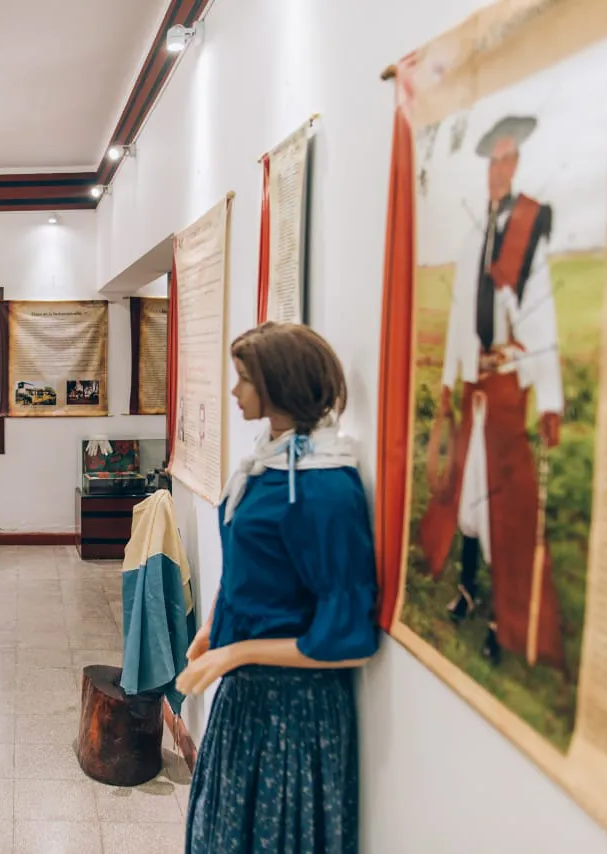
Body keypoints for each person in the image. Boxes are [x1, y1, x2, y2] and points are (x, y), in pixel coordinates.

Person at [177, 322, 378, 854]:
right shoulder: (269, 466)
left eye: (243, 379)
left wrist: (234, 652)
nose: (234, 391)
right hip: (246, 699)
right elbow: (252, 567)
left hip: (293, 713)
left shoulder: (324, 487)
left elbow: (345, 637)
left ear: (278, 386)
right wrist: (211, 630)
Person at [418, 114, 565, 669]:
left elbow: (541, 312)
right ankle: (469, 589)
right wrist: (452, 383)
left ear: (517, 164)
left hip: (507, 386)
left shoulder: (529, 228)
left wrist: (548, 398)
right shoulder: (475, 231)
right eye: (492, 161)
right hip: (475, 385)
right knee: (468, 493)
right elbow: (461, 315)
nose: (498, 169)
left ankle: (507, 617)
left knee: (506, 502)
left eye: (507, 159)